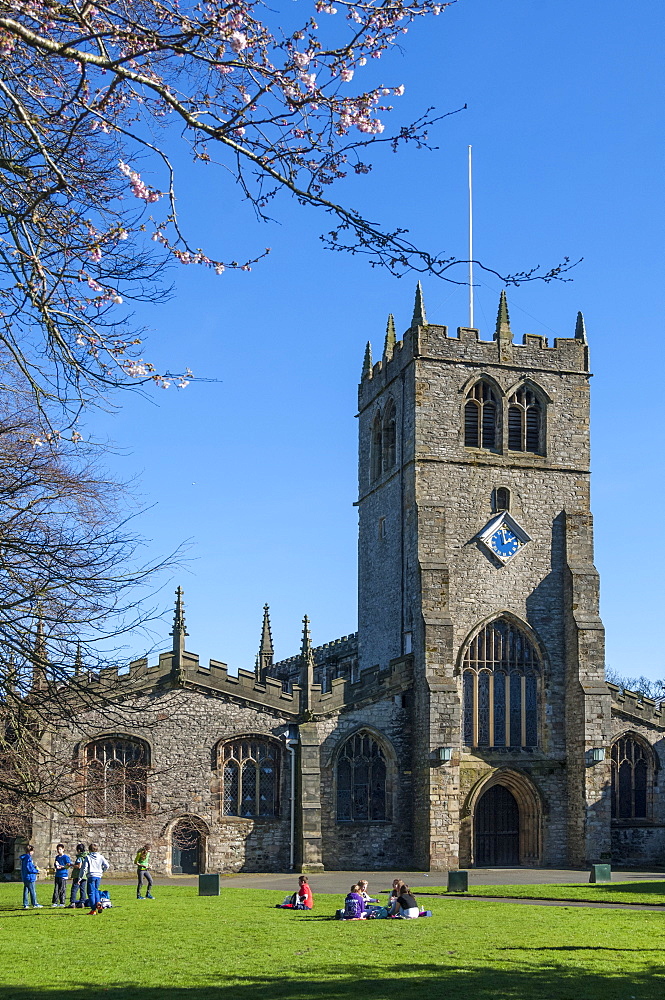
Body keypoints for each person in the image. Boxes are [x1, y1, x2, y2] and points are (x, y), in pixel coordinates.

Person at [80, 843, 109, 908]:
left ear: (89, 850)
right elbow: (107, 865)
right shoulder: (101, 857)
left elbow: (84, 868)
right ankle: (98, 903)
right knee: (96, 890)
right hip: (98, 876)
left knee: (91, 892)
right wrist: (102, 871)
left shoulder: (88, 857)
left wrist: (80, 877)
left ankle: (93, 909)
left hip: (91, 875)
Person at [67, 843, 88, 908]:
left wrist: (71, 865)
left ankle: (72, 902)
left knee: (74, 889)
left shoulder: (80, 857)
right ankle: (82, 902)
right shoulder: (86, 856)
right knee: (82, 890)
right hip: (84, 876)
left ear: (79, 850)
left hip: (78, 875)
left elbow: (79, 866)